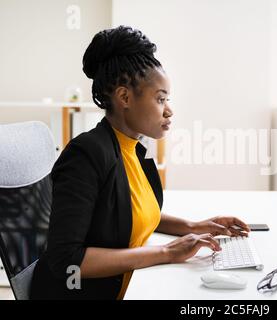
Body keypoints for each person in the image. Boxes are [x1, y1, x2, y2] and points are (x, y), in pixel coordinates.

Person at [30, 25, 250, 300]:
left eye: (167, 99)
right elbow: (66, 261)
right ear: (124, 97)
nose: (169, 110)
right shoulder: (86, 155)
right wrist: (167, 252)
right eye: (160, 99)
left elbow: (130, 216)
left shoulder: (135, 150)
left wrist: (194, 226)